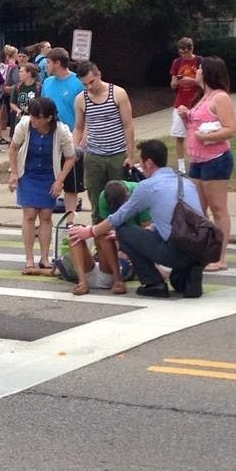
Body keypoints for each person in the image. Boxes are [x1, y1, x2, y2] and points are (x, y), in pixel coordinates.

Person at [70, 139, 206, 299]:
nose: (140, 166)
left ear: (148, 163)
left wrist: (90, 231)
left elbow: (118, 218)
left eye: (141, 161)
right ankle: (189, 274)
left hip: (175, 250)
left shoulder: (147, 186)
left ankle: (153, 283)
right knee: (178, 280)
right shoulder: (185, 181)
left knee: (124, 232)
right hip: (201, 247)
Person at [178, 56, 236, 272]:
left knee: (218, 208)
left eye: (201, 68)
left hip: (216, 159)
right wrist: (186, 116)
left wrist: (208, 138)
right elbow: (196, 124)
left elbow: (230, 128)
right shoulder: (202, 96)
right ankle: (204, 250)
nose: (197, 71)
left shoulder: (220, 98)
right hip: (198, 159)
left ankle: (220, 257)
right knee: (199, 209)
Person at [8, 97, 75, 274]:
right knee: (29, 214)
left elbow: (70, 157)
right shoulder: (24, 125)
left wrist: (59, 180)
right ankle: (29, 259)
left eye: (37, 117)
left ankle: (45, 257)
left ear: (48, 118)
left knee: (46, 215)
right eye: (32, 116)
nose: (33, 120)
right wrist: (14, 173)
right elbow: (14, 148)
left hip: (48, 175)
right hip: (28, 174)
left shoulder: (61, 131)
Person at [65, 179, 151, 296]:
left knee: (103, 234)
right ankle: (82, 281)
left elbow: (149, 233)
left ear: (128, 197)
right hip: (99, 266)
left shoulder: (140, 194)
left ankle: (117, 279)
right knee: (76, 232)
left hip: (131, 249)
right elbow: (106, 227)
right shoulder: (103, 197)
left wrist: (127, 248)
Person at [73, 60, 135, 223]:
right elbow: (78, 127)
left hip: (117, 153)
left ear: (99, 74)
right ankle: (100, 240)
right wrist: (74, 149)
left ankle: (121, 240)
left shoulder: (118, 93)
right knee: (96, 200)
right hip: (94, 155)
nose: (90, 87)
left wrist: (131, 155)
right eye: (85, 84)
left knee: (120, 199)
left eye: (92, 82)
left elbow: (128, 125)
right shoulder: (81, 99)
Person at [42, 47, 86, 214]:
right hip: (50, 137)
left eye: (48, 62)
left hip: (71, 138)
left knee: (70, 183)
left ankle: (70, 221)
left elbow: (86, 113)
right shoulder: (47, 82)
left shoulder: (77, 83)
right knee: (49, 179)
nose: (46, 66)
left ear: (57, 63)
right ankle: (45, 219)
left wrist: (82, 140)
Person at [169, 37, 201, 173]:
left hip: (195, 101)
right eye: (182, 53)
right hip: (180, 101)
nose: (184, 55)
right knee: (179, 135)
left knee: (196, 132)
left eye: (187, 52)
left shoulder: (199, 61)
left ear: (191, 49)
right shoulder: (177, 63)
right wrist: (176, 82)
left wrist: (191, 80)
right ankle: (181, 165)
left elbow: (201, 82)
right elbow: (172, 83)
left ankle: (197, 159)